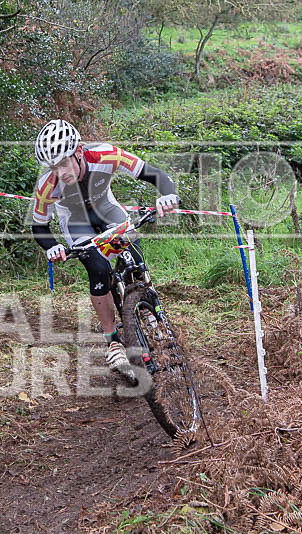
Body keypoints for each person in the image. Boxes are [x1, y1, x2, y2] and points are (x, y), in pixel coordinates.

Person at [31, 119, 180, 384]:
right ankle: (113, 341)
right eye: (54, 167)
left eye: (64, 163)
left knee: (132, 253)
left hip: (106, 208)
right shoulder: (47, 185)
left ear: (78, 151)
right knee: (98, 269)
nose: (61, 172)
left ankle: (149, 308)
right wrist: (52, 246)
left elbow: (153, 173)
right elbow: (39, 225)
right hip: (76, 222)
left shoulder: (105, 155)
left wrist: (166, 194)